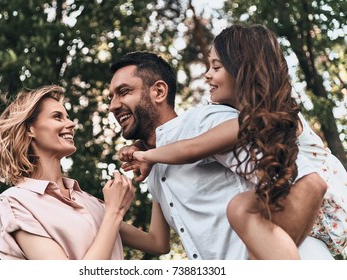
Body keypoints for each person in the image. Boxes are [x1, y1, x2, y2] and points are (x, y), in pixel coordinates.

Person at [124, 24, 347, 259]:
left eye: (216, 66)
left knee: (241, 210)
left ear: (242, 70)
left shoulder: (254, 119)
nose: (208, 74)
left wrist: (146, 155)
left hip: (326, 207)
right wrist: (144, 147)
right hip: (311, 212)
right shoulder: (247, 116)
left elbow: (195, 146)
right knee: (244, 212)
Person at [0, 85, 170, 260]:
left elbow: (157, 243)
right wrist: (115, 211)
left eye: (67, 117)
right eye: (57, 117)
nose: (71, 124)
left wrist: (154, 162)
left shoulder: (87, 201)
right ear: (30, 130)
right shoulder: (16, 202)